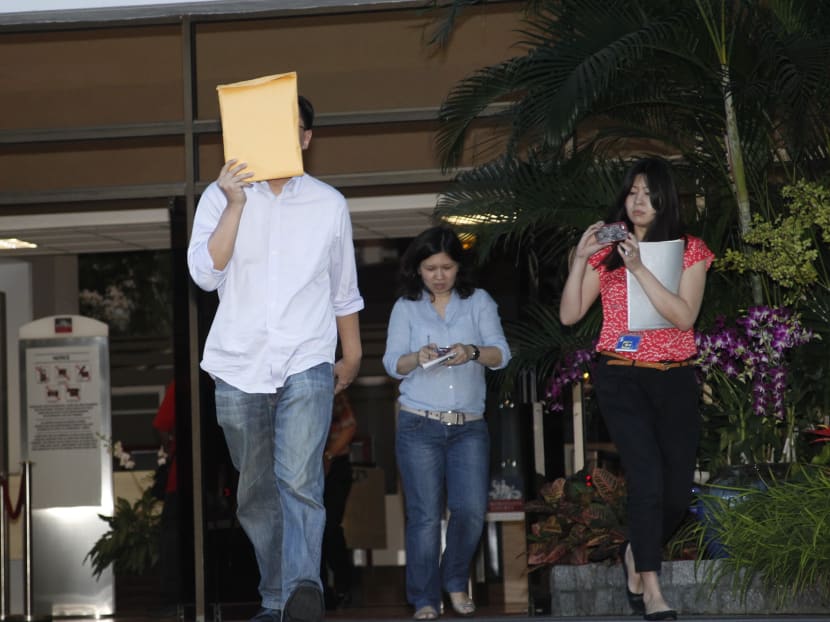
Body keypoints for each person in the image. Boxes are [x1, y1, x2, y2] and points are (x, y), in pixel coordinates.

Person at [187, 95, 364, 622]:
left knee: (300, 480)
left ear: (306, 138)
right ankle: (277, 596)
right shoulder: (220, 197)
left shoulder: (329, 204)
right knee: (256, 493)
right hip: (238, 366)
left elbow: (343, 289)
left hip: (307, 359)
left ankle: (303, 589)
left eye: (291, 128)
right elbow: (205, 275)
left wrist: (352, 355)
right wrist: (235, 204)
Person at [559, 157, 714, 621]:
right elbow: (569, 315)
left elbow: (684, 317)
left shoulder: (690, 250)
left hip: (674, 376)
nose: (639, 201)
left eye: (648, 193)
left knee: (676, 493)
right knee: (645, 480)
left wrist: (640, 269)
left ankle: (634, 552)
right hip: (620, 375)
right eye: (632, 192)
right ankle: (652, 589)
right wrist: (580, 258)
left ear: (665, 198)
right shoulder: (607, 252)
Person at [382, 226, 511, 621]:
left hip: (469, 426)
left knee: (470, 510)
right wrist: (417, 357)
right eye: (430, 268)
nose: (439, 276)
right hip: (419, 425)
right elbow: (392, 363)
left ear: (459, 267)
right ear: (417, 269)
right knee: (424, 516)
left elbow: (501, 354)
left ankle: (454, 579)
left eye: (447, 267)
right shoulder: (406, 307)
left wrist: (471, 351)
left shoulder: (479, 302)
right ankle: (424, 598)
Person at [320, 391, 357, 610]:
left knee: (330, 526)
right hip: (304, 463)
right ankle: (320, 589)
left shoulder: (334, 391)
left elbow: (349, 426)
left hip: (335, 465)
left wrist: (328, 456)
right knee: (311, 529)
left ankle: (344, 583)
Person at [151, 379, 180, 616]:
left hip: (180, 480)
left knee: (172, 538)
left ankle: (172, 600)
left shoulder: (181, 385)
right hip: (223, 476)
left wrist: (172, 447)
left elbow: (161, 425)